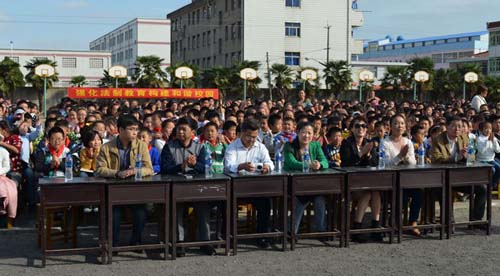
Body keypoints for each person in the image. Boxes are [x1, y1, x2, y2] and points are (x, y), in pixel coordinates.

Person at [95, 115, 153, 249]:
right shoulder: (107, 147)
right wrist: (116, 173)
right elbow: (100, 169)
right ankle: (113, 244)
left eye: (136, 129)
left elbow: (148, 168)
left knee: (141, 212)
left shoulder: (141, 146)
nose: (135, 132)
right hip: (113, 190)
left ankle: (135, 241)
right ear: (120, 130)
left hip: (135, 191)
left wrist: (135, 171)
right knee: (114, 214)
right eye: (131, 129)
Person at [160, 117, 215, 256]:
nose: (181, 132)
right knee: (176, 208)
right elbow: (165, 168)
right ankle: (179, 243)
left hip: (197, 187)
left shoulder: (200, 147)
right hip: (176, 188)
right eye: (179, 129)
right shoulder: (169, 147)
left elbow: (206, 168)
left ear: (193, 132)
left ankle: (205, 242)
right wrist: (182, 166)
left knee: (204, 206)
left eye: (184, 129)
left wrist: (194, 165)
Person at [224, 119, 274, 248]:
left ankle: (262, 237)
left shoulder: (260, 146)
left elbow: (270, 162)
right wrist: (241, 166)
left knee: (266, 203)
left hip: (256, 187)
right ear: (241, 134)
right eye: (249, 137)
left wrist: (266, 167)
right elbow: (228, 166)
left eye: (254, 137)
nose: (252, 140)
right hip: (236, 188)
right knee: (228, 205)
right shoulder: (232, 147)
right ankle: (229, 237)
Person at [430, 116, 487, 223]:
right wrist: (456, 157)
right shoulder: (438, 139)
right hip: (443, 178)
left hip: (460, 177)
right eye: (454, 126)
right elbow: (437, 158)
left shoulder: (464, 138)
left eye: (460, 127)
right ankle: (449, 221)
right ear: (447, 127)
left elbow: (473, 156)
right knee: (446, 190)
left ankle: (476, 220)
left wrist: (467, 156)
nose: (457, 129)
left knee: (482, 188)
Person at [339, 117, 381, 242]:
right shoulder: (346, 144)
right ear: (352, 129)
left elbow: (375, 163)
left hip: (367, 182)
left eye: (363, 126)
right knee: (367, 193)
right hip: (351, 183)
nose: (361, 128)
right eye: (357, 126)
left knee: (376, 192)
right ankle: (357, 228)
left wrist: (368, 155)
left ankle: (375, 226)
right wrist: (361, 153)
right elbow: (346, 164)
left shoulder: (369, 143)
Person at [283, 121, 329, 235]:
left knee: (320, 199)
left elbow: (325, 161)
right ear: (297, 132)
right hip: (294, 184)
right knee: (300, 200)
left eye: (309, 133)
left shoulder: (316, 145)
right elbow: (291, 163)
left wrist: (319, 165)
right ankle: (292, 232)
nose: (306, 136)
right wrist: (308, 165)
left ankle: (321, 230)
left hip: (312, 184)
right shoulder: (289, 146)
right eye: (304, 132)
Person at [383, 115, 421, 236]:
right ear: (390, 126)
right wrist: (399, 156)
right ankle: (395, 222)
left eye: (402, 124)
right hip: (391, 179)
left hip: (407, 178)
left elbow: (413, 163)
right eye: (396, 123)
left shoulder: (408, 142)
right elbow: (386, 164)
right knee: (401, 195)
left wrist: (406, 157)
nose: (399, 126)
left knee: (418, 192)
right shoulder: (385, 142)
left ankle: (413, 222)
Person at [476, 121, 500, 189]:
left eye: (490, 128)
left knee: (499, 168)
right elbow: (481, 151)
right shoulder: (479, 139)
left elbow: (498, 150)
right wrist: (488, 141)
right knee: (492, 170)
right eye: (486, 128)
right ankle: (485, 184)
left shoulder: (493, 138)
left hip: (491, 160)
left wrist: (494, 142)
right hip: (481, 161)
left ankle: (492, 185)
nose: (488, 130)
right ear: (482, 129)